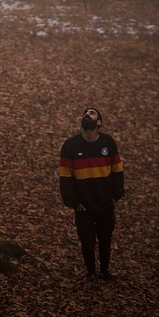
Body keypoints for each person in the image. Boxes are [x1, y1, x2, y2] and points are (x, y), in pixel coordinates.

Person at [59, 106, 124, 284]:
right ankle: (90, 272)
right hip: (84, 206)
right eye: (84, 113)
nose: (87, 115)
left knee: (105, 239)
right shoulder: (70, 145)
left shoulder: (108, 142)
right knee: (87, 241)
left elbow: (118, 171)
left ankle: (105, 271)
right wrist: (73, 203)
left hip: (105, 203)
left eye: (91, 113)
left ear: (99, 122)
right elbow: (65, 176)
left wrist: (115, 197)